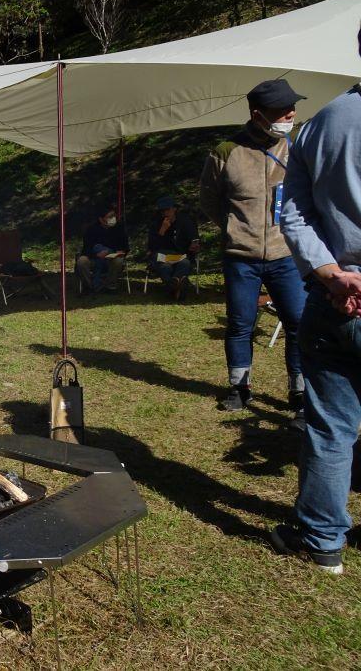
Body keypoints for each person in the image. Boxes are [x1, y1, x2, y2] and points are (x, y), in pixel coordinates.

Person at [272, 62, 361, 574]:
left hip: (335, 300)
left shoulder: (323, 123)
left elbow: (293, 214)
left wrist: (332, 274)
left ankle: (324, 541)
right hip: (336, 299)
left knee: (330, 428)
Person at [200, 79, 307, 419]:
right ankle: (239, 386)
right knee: (240, 323)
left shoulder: (298, 145)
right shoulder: (225, 152)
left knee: (298, 322)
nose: (291, 114)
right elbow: (210, 200)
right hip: (240, 257)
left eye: (292, 108)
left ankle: (300, 390)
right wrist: (236, 229)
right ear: (258, 115)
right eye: (282, 110)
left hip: (286, 255)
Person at [147, 196, 201, 300]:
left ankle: (174, 286)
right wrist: (162, 230)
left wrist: (194, 244)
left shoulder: (185, 221)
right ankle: (178, 286)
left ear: (174, 209)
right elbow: (152, 246)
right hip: (162, 254)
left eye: (167, 210)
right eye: (162, 211)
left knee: (184, 263)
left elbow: (194, 238)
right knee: (165, 266)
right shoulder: (156, 223)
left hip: (181, 253)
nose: (165, 213)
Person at [76, 205, 129, 293]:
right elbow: (86, 249)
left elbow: (125, 246)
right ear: (101, 219)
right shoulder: (92, 229)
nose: (113, 218)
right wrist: (96, 255)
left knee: (119, 261)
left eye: (114, 216)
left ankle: (110, 286)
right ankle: (90, 286)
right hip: (94, 258)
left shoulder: (119, 228)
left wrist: (120, 251)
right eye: (110, 217)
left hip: (112, 258)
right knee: (82, 261)